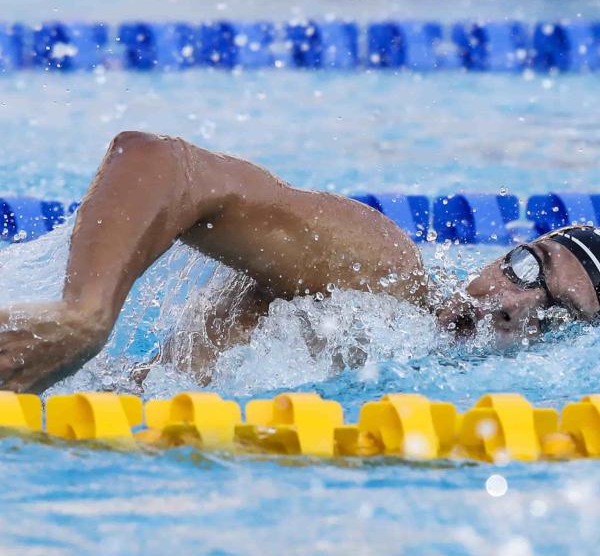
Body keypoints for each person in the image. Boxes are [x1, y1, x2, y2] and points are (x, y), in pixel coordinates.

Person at [0, 131, 598, 393]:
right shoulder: (383, 274)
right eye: (527, 266)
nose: (517, 306)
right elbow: (160, 162)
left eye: (557, 312)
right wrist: (87, 313)